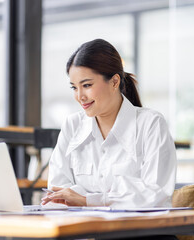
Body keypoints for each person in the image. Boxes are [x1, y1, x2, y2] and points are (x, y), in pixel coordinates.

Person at [42, 39, 177, 209]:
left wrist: (87, 201)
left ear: (114, 82)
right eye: (74, 88)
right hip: (84, 230)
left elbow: (155, 195)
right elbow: (57, 191)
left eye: (87, 85)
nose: (80, 96)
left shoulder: (151, 124)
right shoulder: (72, 125)